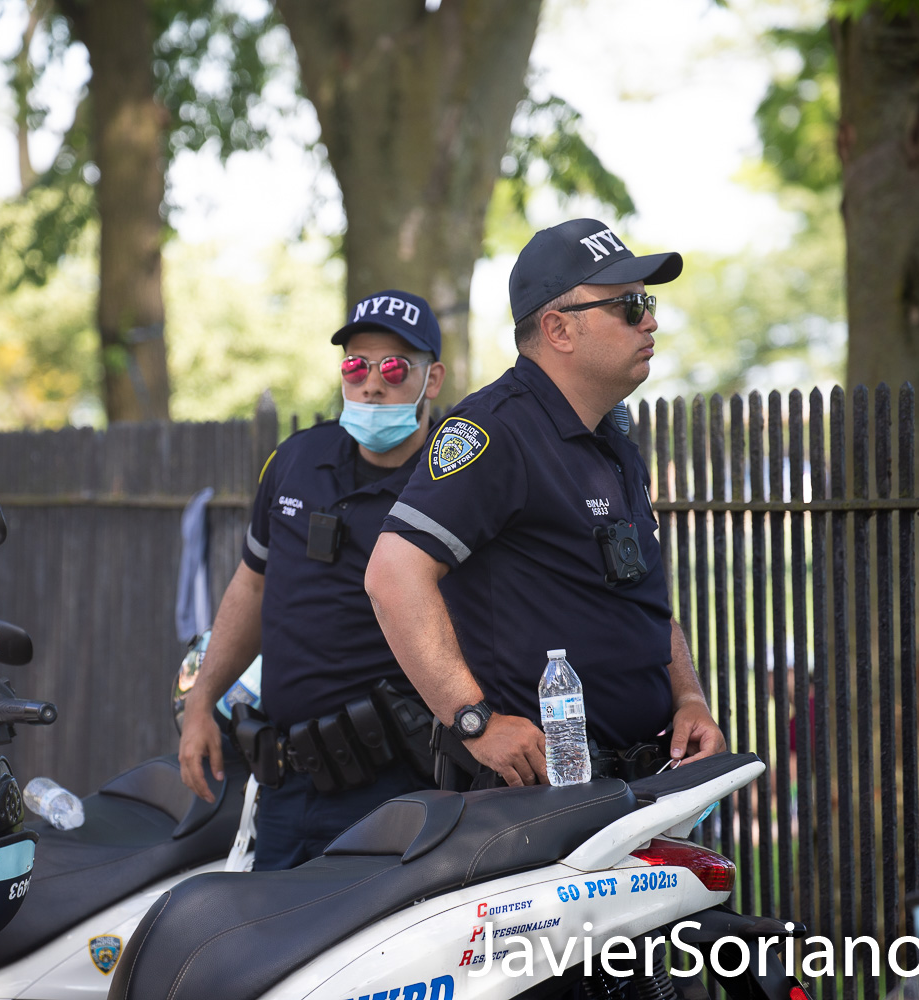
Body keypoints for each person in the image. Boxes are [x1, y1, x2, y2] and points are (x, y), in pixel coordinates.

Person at [364, 219, 725, 788]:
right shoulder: (495, 430)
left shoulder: (612, 442)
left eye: (647, 301)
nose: (650, 319)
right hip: (535, 802)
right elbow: (392, 575)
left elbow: (640, 596)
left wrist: (689, 697)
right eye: (629, 305)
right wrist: (473, 720)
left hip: (635, 785)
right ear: (558, 329)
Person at [177, 289, 447, 869]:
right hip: (286, 784)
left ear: (434, 380)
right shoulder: (295, 461)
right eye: (355, 365)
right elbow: (252, 586)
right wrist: (202, 701)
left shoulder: (453, 480)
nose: (372, 383)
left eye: (395, 368)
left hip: (397, 787)